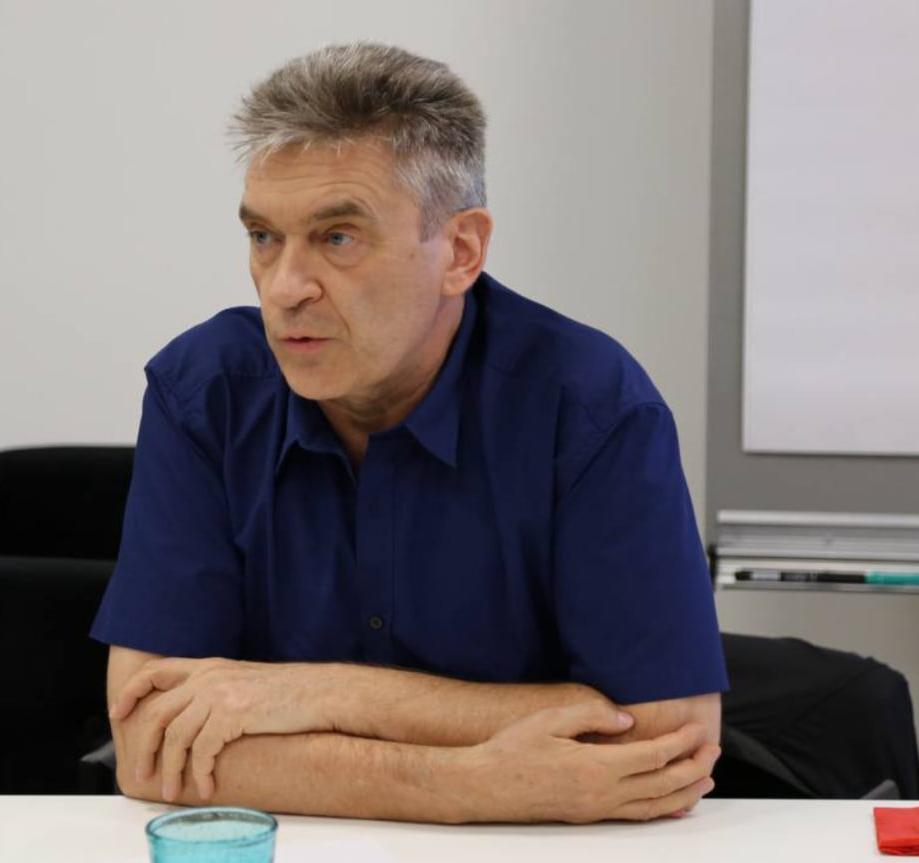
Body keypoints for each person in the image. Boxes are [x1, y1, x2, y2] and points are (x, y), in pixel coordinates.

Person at [90, 41, 728, 823]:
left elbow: (666, 741)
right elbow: (148, 744)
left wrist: (314, 693)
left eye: (338, 237)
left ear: (460, 251)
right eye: (263, 237)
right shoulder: (205, 392)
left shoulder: (590, 406)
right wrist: (462, 783)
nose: (285, 288)